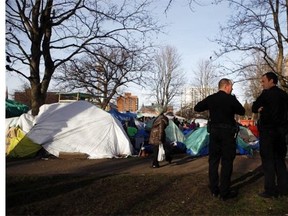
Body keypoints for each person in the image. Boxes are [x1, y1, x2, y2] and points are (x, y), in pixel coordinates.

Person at [194, 78, 245, 201]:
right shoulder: (231, 99)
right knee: (227, 162)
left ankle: (214, 189)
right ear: (226, 86)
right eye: (231, 86)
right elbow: (242, 111)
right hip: (227, 134)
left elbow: (197, 107)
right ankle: (224, 191)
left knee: (213, 161)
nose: (232, 88)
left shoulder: (212, 98)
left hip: (215, 133)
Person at [252, 71, 288, 198]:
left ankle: (270, 190)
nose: (262, 84)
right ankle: (284, 188)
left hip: (268, 132)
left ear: (271, 81)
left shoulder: (266, 94)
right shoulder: (284, 95)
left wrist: (260, 108)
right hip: (281, 133)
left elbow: (254, 107)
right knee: (280, 161)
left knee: (268, 162)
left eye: (263, 81)